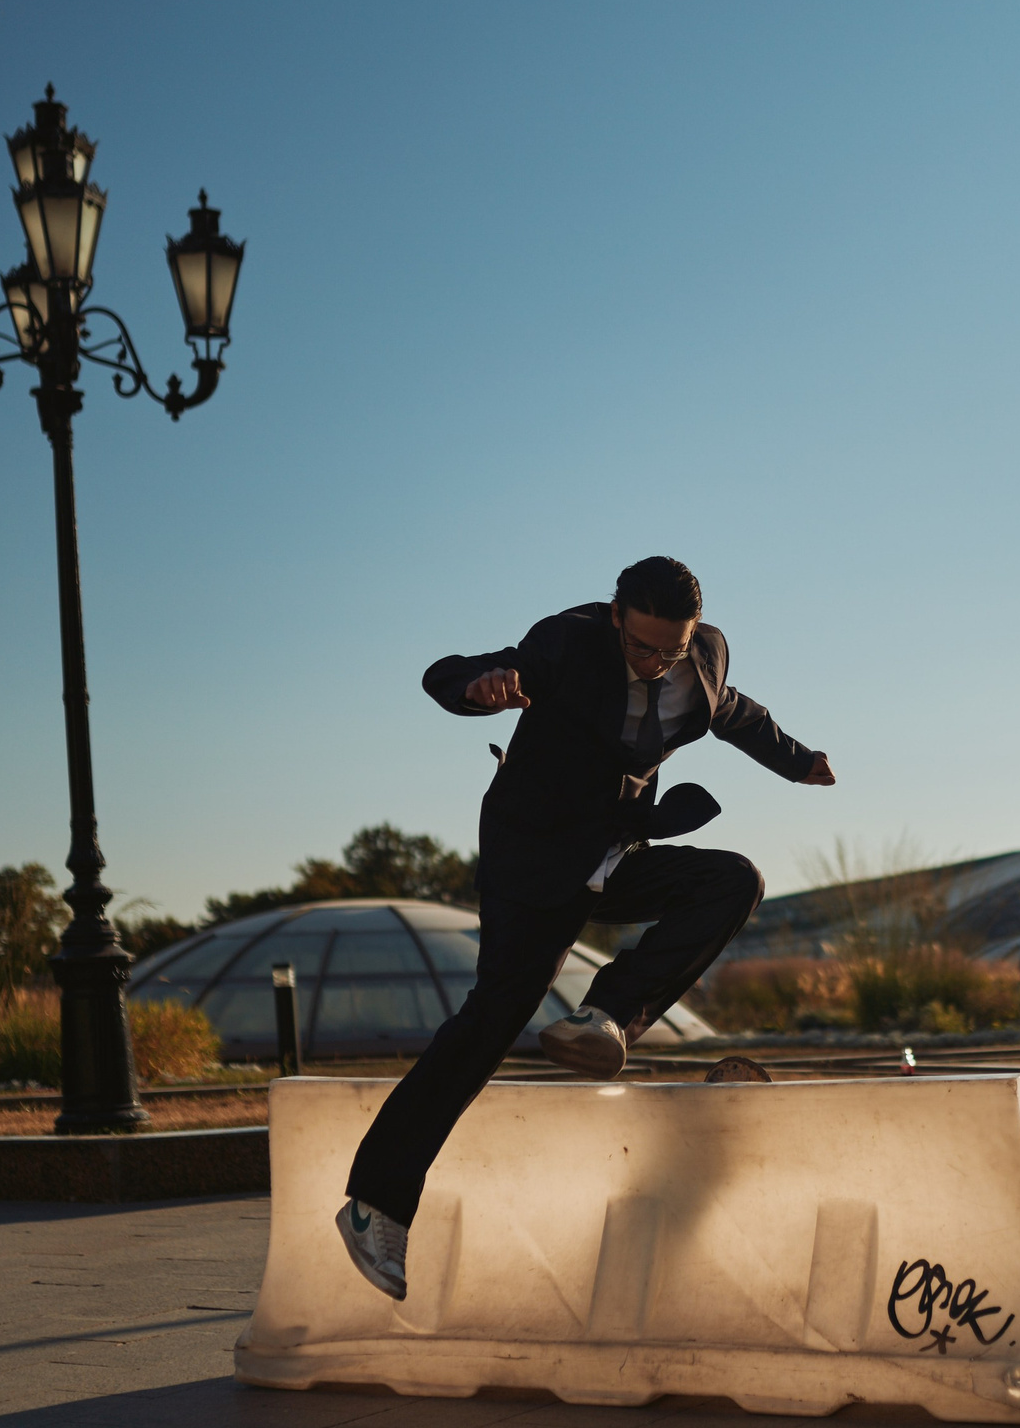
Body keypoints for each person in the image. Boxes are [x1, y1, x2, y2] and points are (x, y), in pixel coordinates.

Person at [335, 556, 834, 1299]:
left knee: (734, 880)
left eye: (671, 651)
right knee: (492, 1021)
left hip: (616, 849)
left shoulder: (702, 656)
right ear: (615, 617)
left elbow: (737, 713)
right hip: (535, 859)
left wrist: (800, 762)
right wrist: (480, 687)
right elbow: (449, 671)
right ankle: (376, 1203)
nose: (656, 664)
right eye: (641, 648)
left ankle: (607, 1014)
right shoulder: (567, 642)